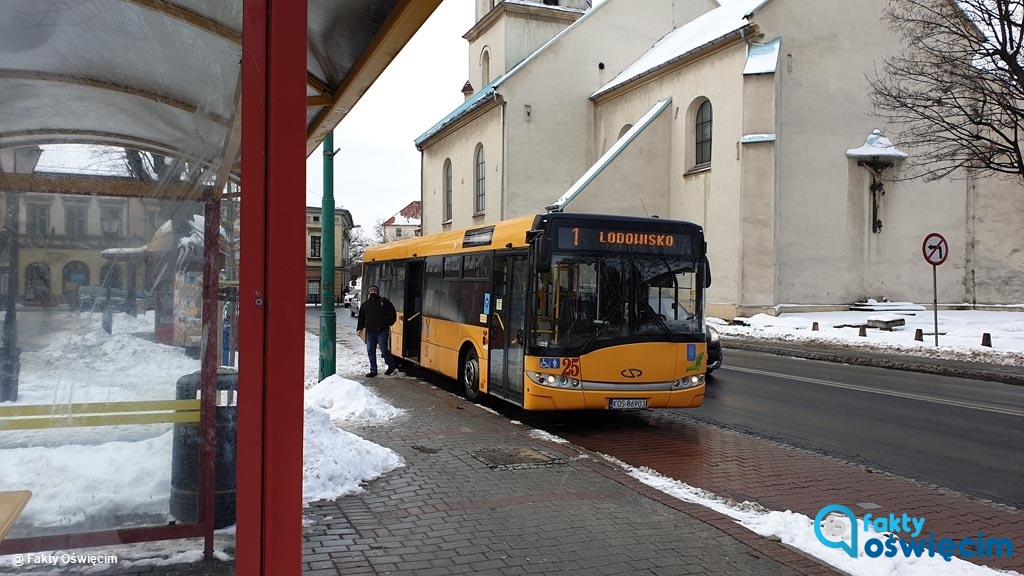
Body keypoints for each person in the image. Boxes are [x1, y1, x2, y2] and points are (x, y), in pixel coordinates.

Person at [356, 285, 398, 377]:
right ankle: (373, 370)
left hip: (382, 331)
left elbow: (392, 314)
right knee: (370, 351)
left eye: (374, 291)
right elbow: (361, 318)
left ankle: (391, 365)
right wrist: (359, 329)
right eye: (371, 291)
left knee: (384, 350)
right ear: (368, 293)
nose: (372, 293)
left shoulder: (384, 302)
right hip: (370, 332)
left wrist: (387, 323)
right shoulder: (365, 305)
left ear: (378, 292)